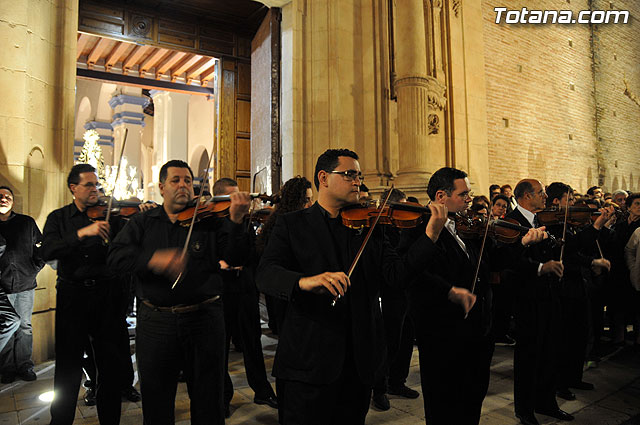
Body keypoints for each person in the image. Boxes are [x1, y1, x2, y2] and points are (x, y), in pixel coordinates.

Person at [256, 149, 475, 425]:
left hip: (359, 363)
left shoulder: (371, 225)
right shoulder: (292, 225)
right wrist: (304, 281)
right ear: (323, 178)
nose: (357, 180)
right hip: (308, 362)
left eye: (358, 175)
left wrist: (430, 235)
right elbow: (266, 274)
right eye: (349, 174)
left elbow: (398, 276)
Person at [107, 160, 251, 425]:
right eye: (176, 180)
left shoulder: (208, 220)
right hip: (156, 323)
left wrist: (236, 220)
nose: (183, 185)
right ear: (162, 187)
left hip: (205, 319)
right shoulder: (143, 222)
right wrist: (152, 260)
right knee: (157, 399)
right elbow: (115, 258)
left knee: (209, 399)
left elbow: (235, 256)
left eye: (188, 180)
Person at [399, 168, 546, 425]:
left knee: (473, 396)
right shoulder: (416, 227)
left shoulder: (468, 226)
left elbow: (494, 260)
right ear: (441, 196)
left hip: (478, 328)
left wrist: (522, 244)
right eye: (464, 194)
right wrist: (448, 291)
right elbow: (412, 274)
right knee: (445, 402)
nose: (470, 199)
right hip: (442, 332)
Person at [41, 164, 132, 424]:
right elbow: (47, 251)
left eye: (97, 185)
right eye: (89, 185)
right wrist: (81, 233)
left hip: (107, 297)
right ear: (74, 188)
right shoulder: (58, 218)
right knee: (68, 366)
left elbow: (131, 236)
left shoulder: (111, 216)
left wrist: (144, 212)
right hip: (73, 297)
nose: (96, 189)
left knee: (109, 365)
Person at [505, 179, 574, 425]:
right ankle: (525, 410)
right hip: (527, 299)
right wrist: (540, 267)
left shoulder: (540, 220)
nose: (545, 196)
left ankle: (546, 402)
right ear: (525, 196)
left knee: (550, 351)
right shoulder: (511, 221)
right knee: (528, 356)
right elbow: (509, 261)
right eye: (540, 193)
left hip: (549, 295)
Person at [212, 177, 278, 418]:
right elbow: (216, 256)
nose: (239, 202)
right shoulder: (211, 222)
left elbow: (251, 253)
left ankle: (261, 389)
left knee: (253, 343)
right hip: (222, 292)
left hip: (245, 290)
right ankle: (223, 397)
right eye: (233, 197)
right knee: (221, 348)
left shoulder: (246, 222)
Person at [371, 188, 420, 412]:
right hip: (388, 292)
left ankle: (397, 382)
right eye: (401, 206)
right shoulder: (380, 227)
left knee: (406, 339)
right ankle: (379, 388)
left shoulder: (405, 226)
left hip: (407, 291)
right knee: (388, 343)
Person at [256, 176, 314, 335]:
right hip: (286, 291)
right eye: (306, 200)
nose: (310, 205)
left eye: (311, 199)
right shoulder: (283, 225)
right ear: (295, 200)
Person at [0, 186, 44, 383]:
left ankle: (25, 366)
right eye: (0, 196)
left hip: (26, 283)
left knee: (25, 326)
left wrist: (35, 267)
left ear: (12, 201)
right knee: (6, 328)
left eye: (7, 196)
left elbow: (42, 247)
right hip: (3, 287)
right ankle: (7, 368)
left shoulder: (26, 222)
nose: (3, 199)